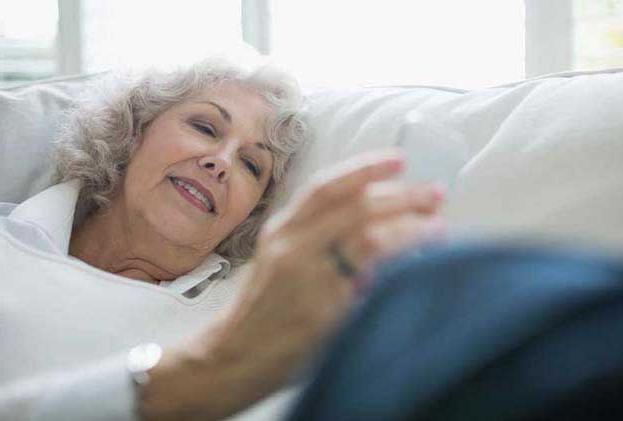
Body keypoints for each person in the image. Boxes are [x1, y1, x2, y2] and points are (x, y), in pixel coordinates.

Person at [0, 57, 445, 420]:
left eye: (252, 165)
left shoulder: (249, 311)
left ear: (250, 212)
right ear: (133, 131)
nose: (222, 163)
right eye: (206, 128)